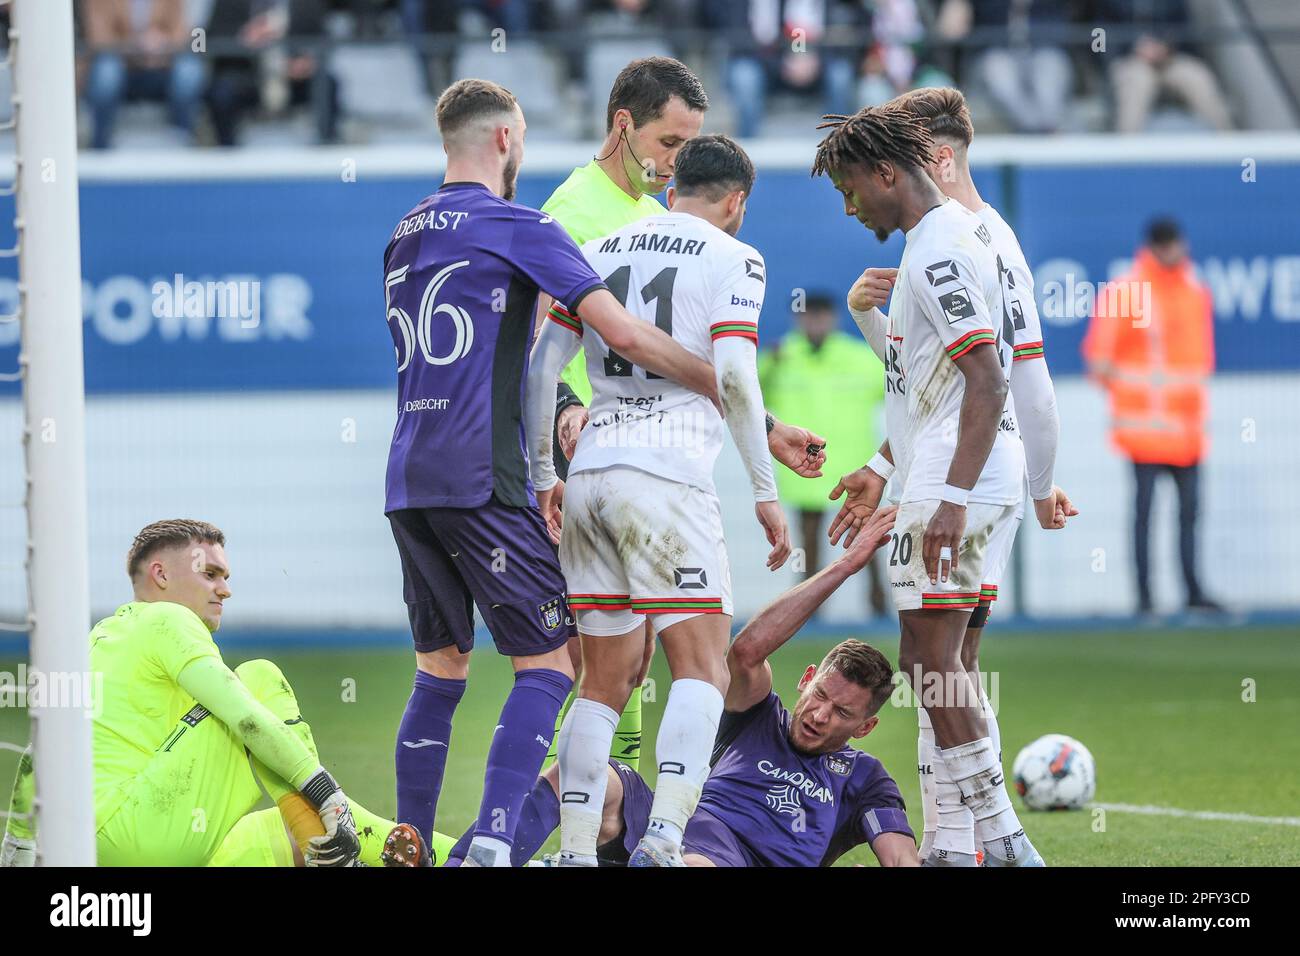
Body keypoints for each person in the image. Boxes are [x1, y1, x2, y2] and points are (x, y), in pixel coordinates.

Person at [382, 78, 718, 868]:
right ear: (505, 140)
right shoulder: (520, 227)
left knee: (441, 667)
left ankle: (410, 843)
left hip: (407, 476)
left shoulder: (402, 234)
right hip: (481, 473)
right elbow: (622, 334)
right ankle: (496, 841)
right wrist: (725, 388)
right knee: (552, 663)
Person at [536, 56, 829, 776]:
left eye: (687, 149)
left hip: (610, 454)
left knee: (618, 671)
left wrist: (761, 426)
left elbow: (676, 357)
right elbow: (531, 346)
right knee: (609, 667)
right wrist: (561, 416)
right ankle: (601, 825)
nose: (674, 166)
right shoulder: (570, 215)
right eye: (669, 144)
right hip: (594, 444)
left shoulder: (645, 219)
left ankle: (606, 823)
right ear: (623, 125)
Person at [526, 134, 792, 866]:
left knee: (604, 681)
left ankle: (577, 851)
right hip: (667, 477)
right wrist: (765, 492)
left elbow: (541, 367)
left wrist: (544, 476)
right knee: (703, 667)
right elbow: (734, 378)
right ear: (736, 201)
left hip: (589, 476)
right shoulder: (735, 256)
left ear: (670, 186)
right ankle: (666, 838)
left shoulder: (599, 247)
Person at [384, 505, 917, 868]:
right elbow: (746, 651)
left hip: (726, 860)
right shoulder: (761, 717)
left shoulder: (865, 780)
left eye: (841, 713)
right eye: (820, 696)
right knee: (585, 769)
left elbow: (899, 856)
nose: (820, 715)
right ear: (807, 680)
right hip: (672, 822)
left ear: (866, 726)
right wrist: (846, 566)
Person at [839, 87, 1076, 863]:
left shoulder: (940, 245)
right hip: (962, 467)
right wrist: (884, 464)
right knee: (943, 663)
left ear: (886, 172)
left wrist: (950, 496)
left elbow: (990, 379)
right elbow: (924, 381)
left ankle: (1005, 845)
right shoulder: (957, 238)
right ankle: (950, 845)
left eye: (849, 190)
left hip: (959, 473)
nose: (847, 210)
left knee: (935, 663)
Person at [0, 519, 396, 868]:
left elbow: (40, 750)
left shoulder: (98, 640)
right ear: (161, 575)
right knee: (257, 678)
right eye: (211, 574)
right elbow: (244, 716)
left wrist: (17, 843)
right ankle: (335, 829)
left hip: (93, 852)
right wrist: (325, 792)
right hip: (143, 833)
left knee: (279, 829)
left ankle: (414, 850)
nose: (225, 590)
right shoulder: (167, 619)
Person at [1083, 218, 1220, 615]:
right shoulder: (1128, 290)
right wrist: (1138, 399)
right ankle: (1146, 598)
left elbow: (1197, 362)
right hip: (1144, 432)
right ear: (1158, 247)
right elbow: (1100, 359)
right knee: (1145, 515)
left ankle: (1192, 592)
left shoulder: (1195, 288)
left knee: (1188, 515)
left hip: (1187, 432)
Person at [758, 292, 887, 614]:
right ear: (798, 319)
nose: (814, 322)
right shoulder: (780, 356)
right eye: (808, 315)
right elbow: (745, 394)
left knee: (867, 543)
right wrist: (768, 363)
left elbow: (899, 392)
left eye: (821, 315)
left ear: (833, 319)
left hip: (853, 468)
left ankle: (880, 611)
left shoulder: (860, 357)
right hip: (807, 471)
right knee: (808, 546)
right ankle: (807, 612)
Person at [80, 0, 205, 149]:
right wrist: (135, 44)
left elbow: (181, 32)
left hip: (162, 64)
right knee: (106, 71)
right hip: (121, 63)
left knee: (189, 69)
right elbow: (98, 38)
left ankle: (182, 139)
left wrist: (161, 43)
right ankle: (100, 142)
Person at [1095, 0, 1232, 133]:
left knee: (1197, 76)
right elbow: (1100, 34)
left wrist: (1167, 46)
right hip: (1130, 60)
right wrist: (1133, 47)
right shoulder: (1110, 2)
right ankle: (1127, 148)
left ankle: (1229, 142)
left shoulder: (1174, 2)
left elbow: (1186, 30)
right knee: (1138, 82)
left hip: (1169, 59)